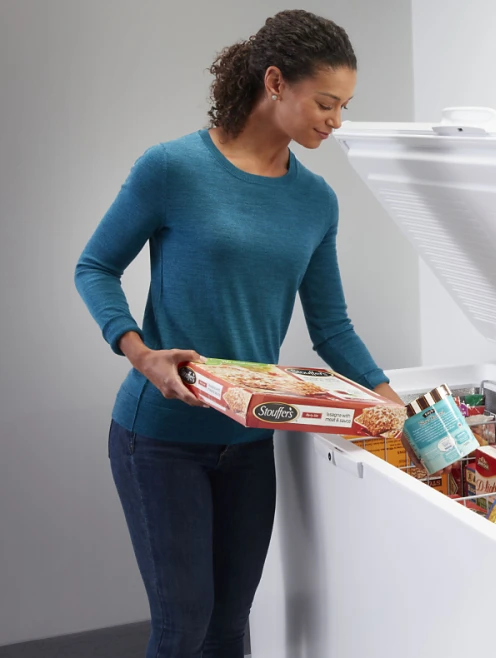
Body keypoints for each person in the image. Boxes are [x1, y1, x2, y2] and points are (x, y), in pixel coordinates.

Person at [74, 10, 400, 658]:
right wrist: (140, 354)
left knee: (229, 629)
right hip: (159, 439)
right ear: (275, 82)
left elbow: (330, 326)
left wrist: (393, 400)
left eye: (345, 106)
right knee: (182, 626)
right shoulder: (172, 168)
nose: (337, 121)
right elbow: (95, 267)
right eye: (327, 103)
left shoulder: (316, 201)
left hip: (251, 441)